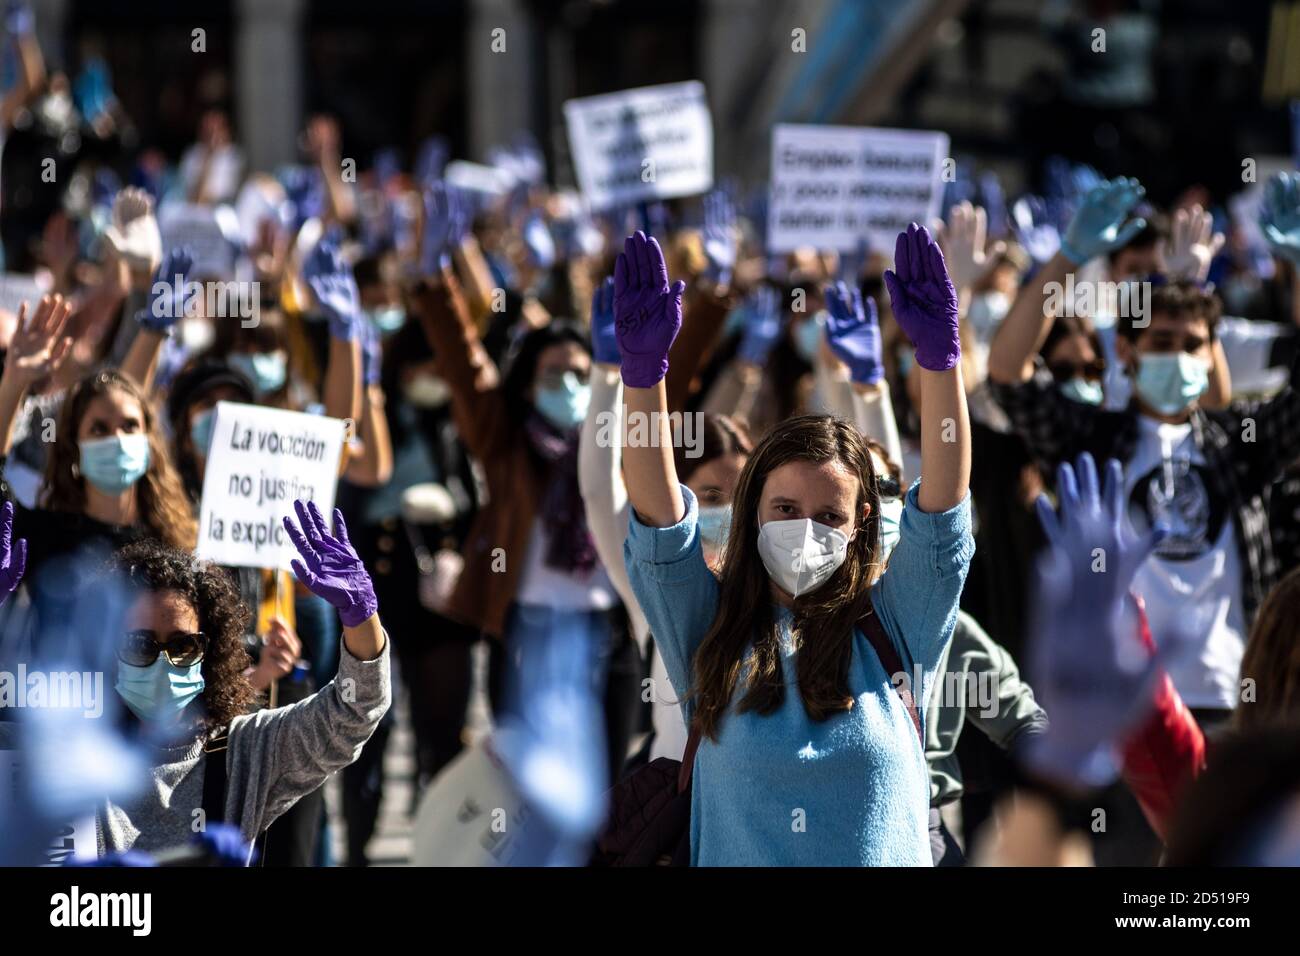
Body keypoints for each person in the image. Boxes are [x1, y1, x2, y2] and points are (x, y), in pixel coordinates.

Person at [619, 225, 974, 865]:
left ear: (862, 522)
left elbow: (943, 505)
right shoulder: (708, 626)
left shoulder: (899, 623)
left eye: (828, 514)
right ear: (752, 512)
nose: (805, 527)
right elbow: (656, 511)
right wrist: (643, 377)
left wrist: (940, 365)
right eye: (785, 508)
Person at [988, 177, 1300, 729]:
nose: (1178, 357)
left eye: (1192, 345)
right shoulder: (1095, 440)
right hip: (1124, 711)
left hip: (1237, 707)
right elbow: (1008, 374)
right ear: (1126, 351)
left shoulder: (1240, 445)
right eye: (1161, 343)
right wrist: (1070, 255)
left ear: (1211, 354)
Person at [95, 500, 389, 857]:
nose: (163, 659)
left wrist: (360, 615)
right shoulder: (69, 755)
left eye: (183, 645)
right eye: (140, 645)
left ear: (210, 652)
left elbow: (355, 711)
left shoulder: (247, 751)